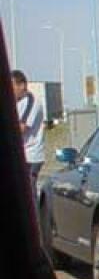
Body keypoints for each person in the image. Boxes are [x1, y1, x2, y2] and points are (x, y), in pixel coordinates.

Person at [13, 71, 44, 199]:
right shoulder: (20, 102)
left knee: (29, 194)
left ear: (22, 85)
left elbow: (22, 128)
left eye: (12, 85)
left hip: (31, 156)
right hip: (23, 154)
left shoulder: (32, 101)